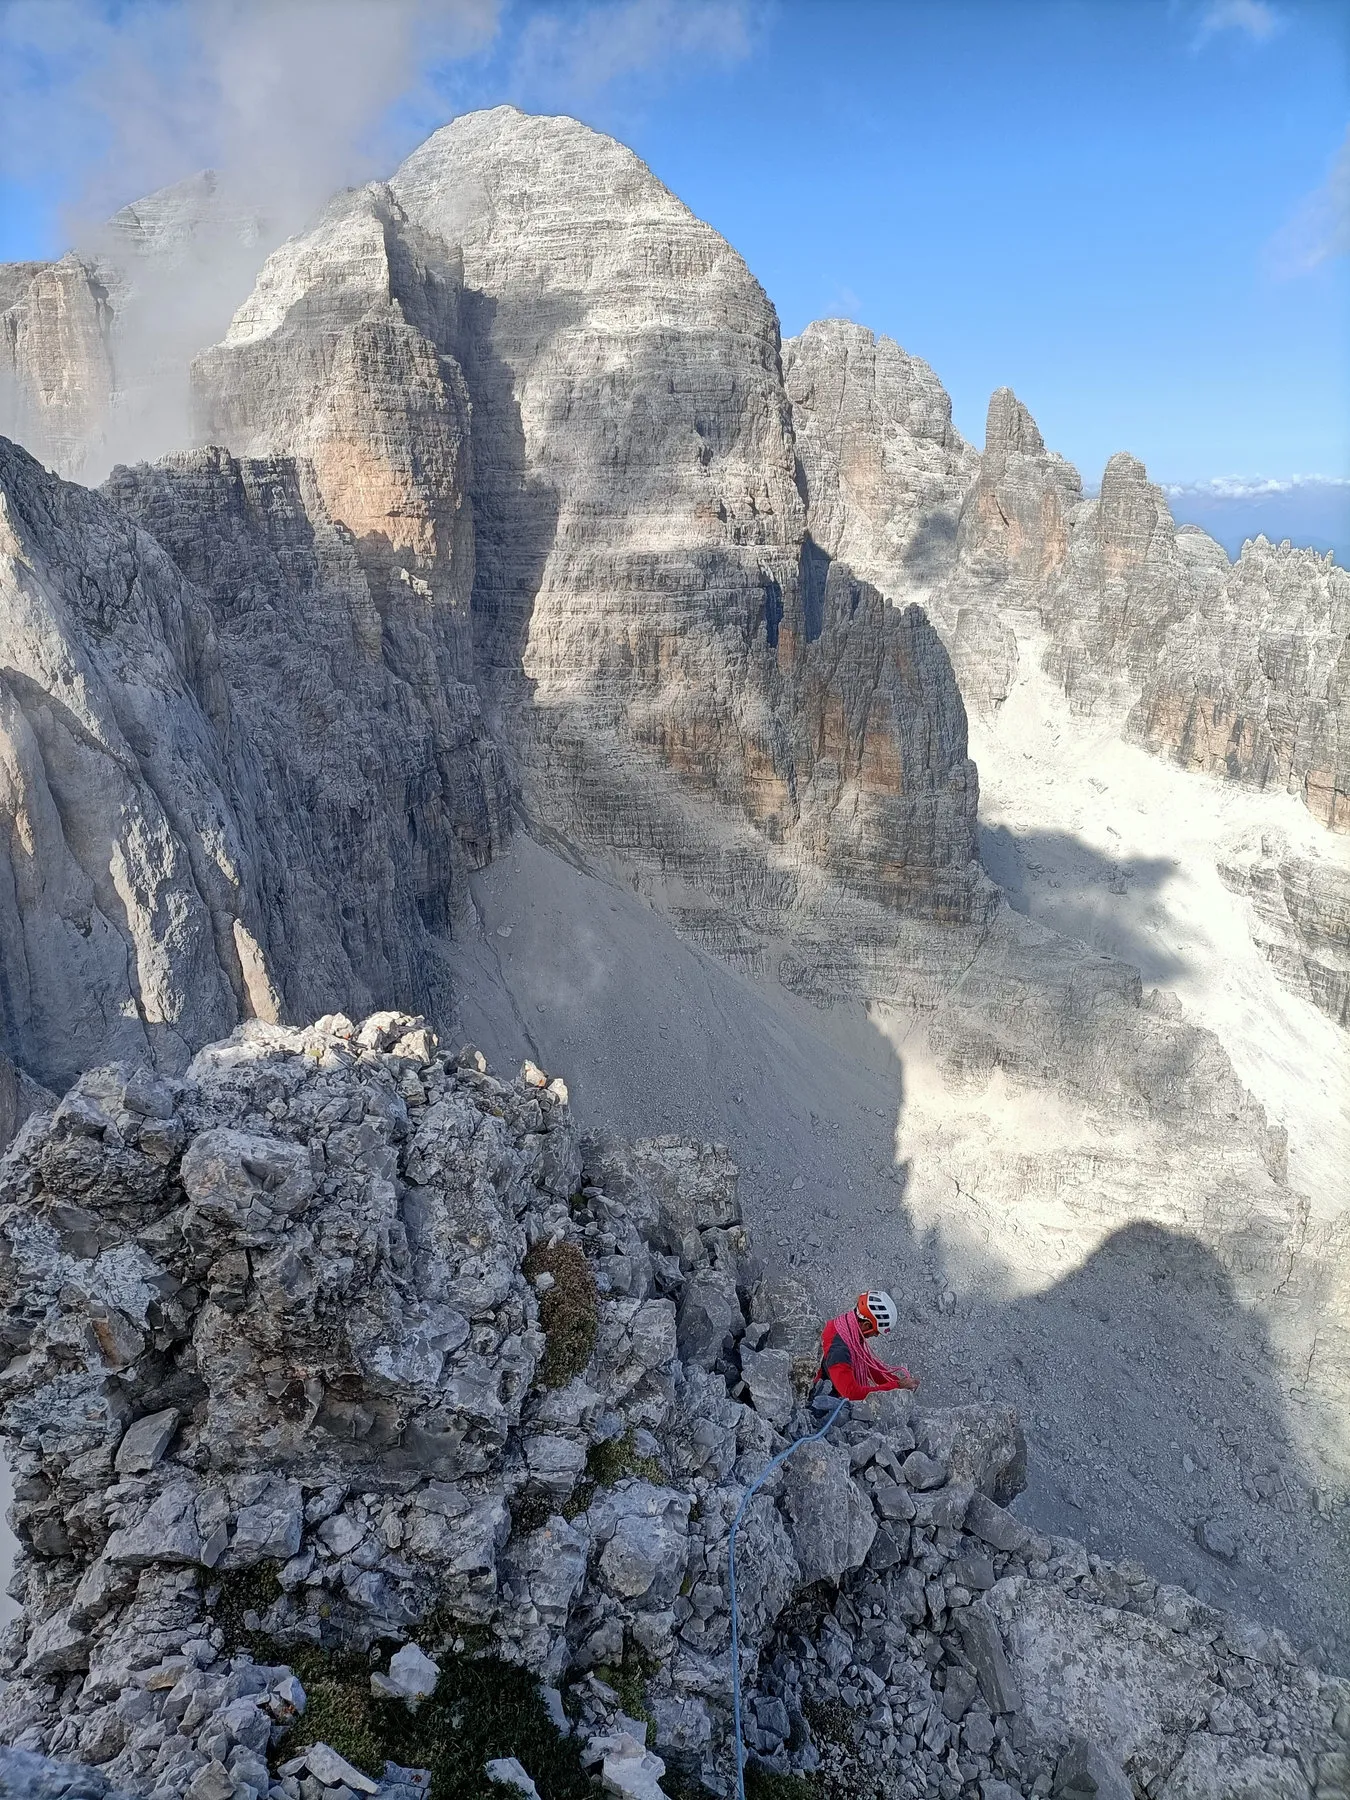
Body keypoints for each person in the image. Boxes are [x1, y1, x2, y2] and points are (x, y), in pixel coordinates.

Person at [814, 1290, 919, 1405]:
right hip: (822, 1402)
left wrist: (896, 1381)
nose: (876, 1335)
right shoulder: (838, 1351)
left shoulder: (843, 1327)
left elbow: (866, 1363)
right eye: (875, 1331)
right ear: (866, 1325)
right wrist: (896, 1386)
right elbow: (851, 1394)